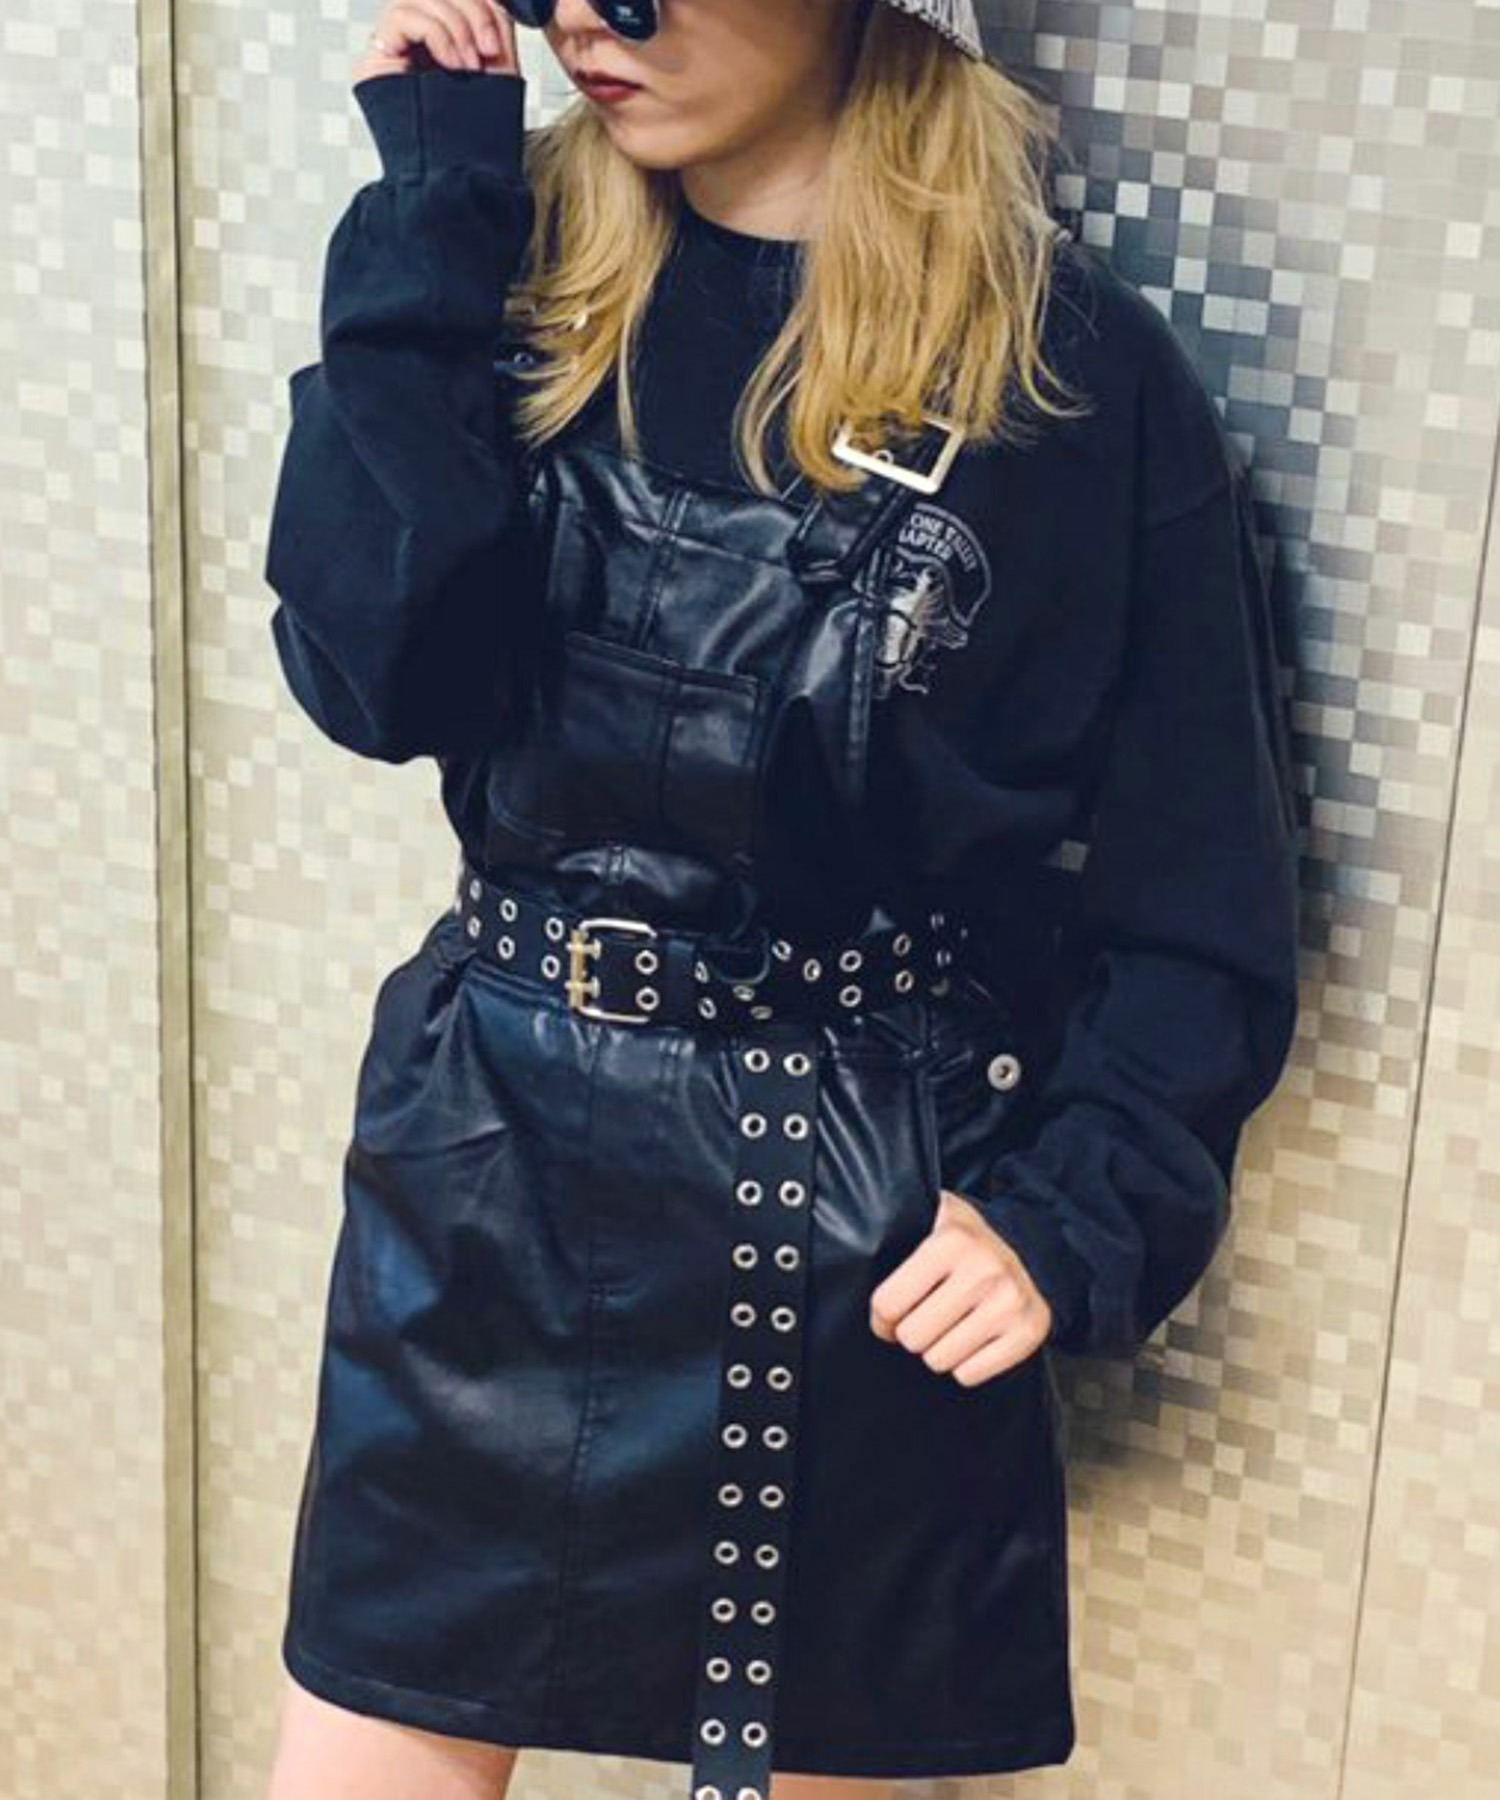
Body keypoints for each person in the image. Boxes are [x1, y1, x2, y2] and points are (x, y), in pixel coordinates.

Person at [260, 0, 1302, 1796]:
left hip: (849, 1229)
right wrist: (423, 223)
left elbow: (1199, 894)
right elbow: (378, 676)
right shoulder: (499, 276)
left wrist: (1076, 1211)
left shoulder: (1064, 380)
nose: (591, 21)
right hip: (488, 1180)